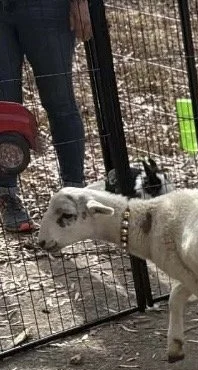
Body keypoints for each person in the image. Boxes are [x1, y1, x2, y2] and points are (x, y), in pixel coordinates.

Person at [1, 0, 90, 233]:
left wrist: (80, 3)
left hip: (47, 7)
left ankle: (73, 196)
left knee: (60, 102)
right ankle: (7, 197)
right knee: (4, 110)